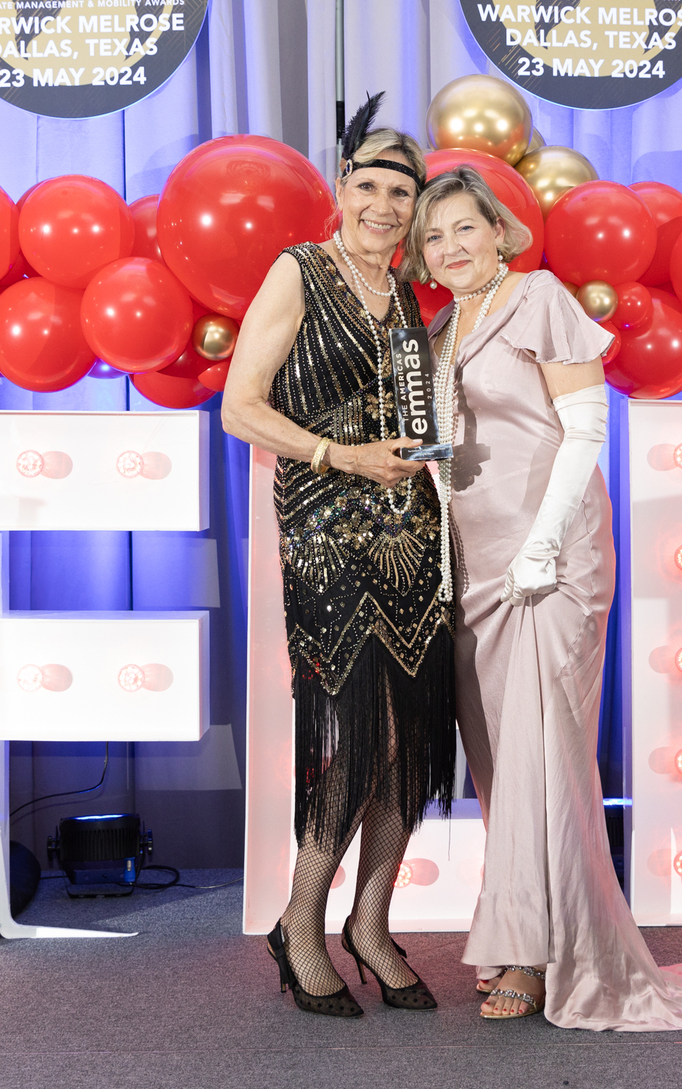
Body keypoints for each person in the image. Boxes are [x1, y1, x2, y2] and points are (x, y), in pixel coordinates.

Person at [404, 166, 682, 1030]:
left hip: (550, 558)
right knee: (500, 760)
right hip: (474, 565)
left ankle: (533, 953)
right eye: (433, 236)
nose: (450, 246)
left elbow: (586, 427)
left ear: (500, 230)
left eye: (465, 227)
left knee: (544, 755)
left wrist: (543, 543)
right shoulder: (440, 327)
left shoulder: (540, 296)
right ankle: (531, 930)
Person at [220, 98, 454, 1018]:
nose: (384, 205)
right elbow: (241, 406)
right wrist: (339, 454)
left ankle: (373, 924)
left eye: (402, 192)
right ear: (341, 189)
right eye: (370, 186)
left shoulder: (409, 297)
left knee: (412, 744)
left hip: (413, 537)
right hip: (327, 531)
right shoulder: (300, 271)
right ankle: (300, 922)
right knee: (360, 739)